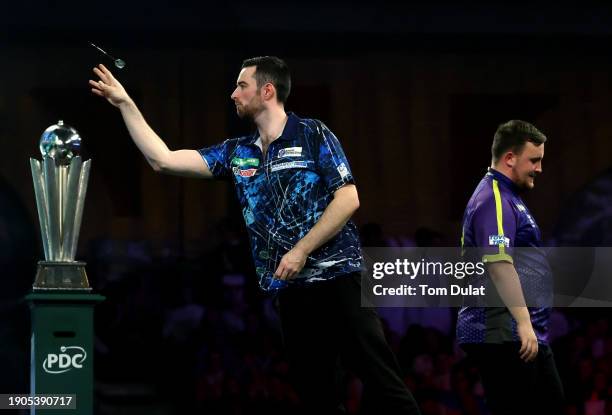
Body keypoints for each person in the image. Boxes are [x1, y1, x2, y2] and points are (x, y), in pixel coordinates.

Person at [90, 56, 420, 414]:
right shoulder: (238, 153)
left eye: (241, 85)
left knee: (383, 384)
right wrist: (125, 104)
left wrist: (300, 251)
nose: (233, 94)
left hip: (338, 278)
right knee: (317, 397)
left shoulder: (312, 133)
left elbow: (348, 198)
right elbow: (163, 160)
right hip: (291, 292)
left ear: (267, 91)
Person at [456, 120, 565, 414]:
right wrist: (523, 322)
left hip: (516, 333)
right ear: (509, 159)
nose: (539, 169)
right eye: (535, 160)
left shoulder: (509, 198)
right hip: (503, 332)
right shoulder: (493, 198)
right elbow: (499, 265)